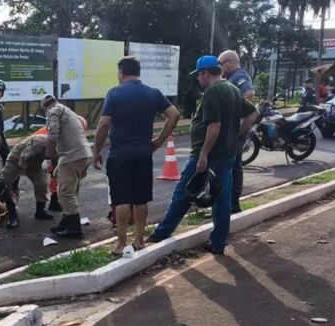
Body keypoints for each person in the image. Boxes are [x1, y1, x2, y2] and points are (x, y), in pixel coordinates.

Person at [147, 55, 259, 255]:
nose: (198, 79)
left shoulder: (213, 92)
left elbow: (213, 126)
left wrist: (203, 155)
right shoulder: (232, 89)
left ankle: (163, 232)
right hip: (227, 153)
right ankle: (218, 242)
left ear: (206, 74)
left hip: (209, 154)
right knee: (222, 198)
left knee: (184, 191)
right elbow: (253, 114)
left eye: (199, 75)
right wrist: (237, 132)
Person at [93, 56, 181, 254]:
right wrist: (158, 141)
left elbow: (104, 125)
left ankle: (121, 243)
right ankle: (139, 241)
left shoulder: (114, 94)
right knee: (141, 199)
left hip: (119, 155)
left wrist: (96, 151)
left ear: (121, 72)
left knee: (122, 200)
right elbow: (174, 115)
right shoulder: (153, 93)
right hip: (143, 154)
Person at [41, 94, 93, 238]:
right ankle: (67, 221)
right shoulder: (67, 110)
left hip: (72, 156)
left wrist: (48, 158)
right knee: (70, 189)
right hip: (83, 154)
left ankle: (74, 227)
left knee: (65, 192)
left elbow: (52, 136)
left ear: (45, 107)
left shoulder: (53, 111)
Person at [219, 50, 255, 214]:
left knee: (234, 164)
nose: (219, 68)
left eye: (221, 64)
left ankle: (233, 203)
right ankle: (227, 202)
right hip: (233, 127)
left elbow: (249, 93)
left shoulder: (239, 76)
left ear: (230, 62)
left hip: (237, 127)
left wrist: (234, 112)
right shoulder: (230, 78)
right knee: (231, 163)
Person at [1, 133, 53, 227]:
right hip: (17, 159)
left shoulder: (60, 146)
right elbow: (23, 158)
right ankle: (12, 215)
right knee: (5, 183)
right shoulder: (39, 142)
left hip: (35, 163)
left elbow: (56, 161)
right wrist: (20, 174)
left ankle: (40, 211)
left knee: (41, 183)